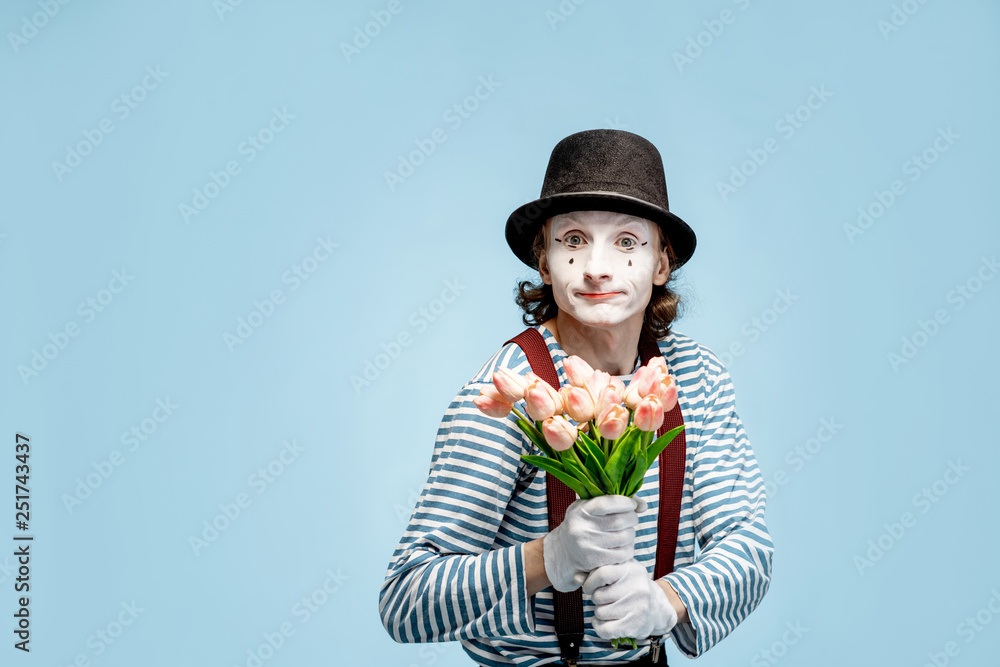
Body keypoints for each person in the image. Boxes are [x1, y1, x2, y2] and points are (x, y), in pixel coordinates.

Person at [379, 129, 773, 665]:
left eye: (628, 243)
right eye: (572, 240)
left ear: (662, 263)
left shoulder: (698, 378)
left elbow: (748, 547)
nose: (596, 267)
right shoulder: (508, 396)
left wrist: (668, 601)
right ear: (543, 261)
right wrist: (549, 556)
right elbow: (406, 600)